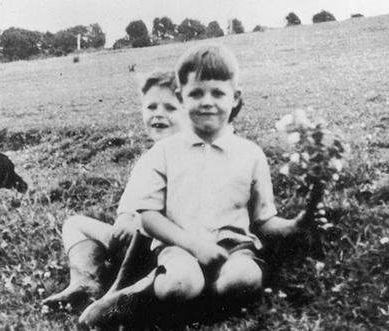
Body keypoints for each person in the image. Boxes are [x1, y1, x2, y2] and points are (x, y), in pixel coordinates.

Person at [79, 44, 306, 327]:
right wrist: (194, 245)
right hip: (179, 248)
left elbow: (264, 221)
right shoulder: (165, 153)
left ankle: (199, 301)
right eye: (196, 93)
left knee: (243, 279)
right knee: (179, 284)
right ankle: (140, 296)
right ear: (181, 97)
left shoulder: (250, 154)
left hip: (233, 249)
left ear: (234, 98)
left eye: (218, 93)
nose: (207, 102)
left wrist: (296, 225)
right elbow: (148, 219)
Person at [42, 70, 186, 308]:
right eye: (151, 107)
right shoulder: (148, 160)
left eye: (170, 108)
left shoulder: (188, 158)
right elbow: (129, 205)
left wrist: (139, 225)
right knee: (75, 224)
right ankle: (86, 281)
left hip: (168, 247)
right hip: (132, 242)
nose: (159, 114)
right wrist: (124, 220)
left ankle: (128, 291)